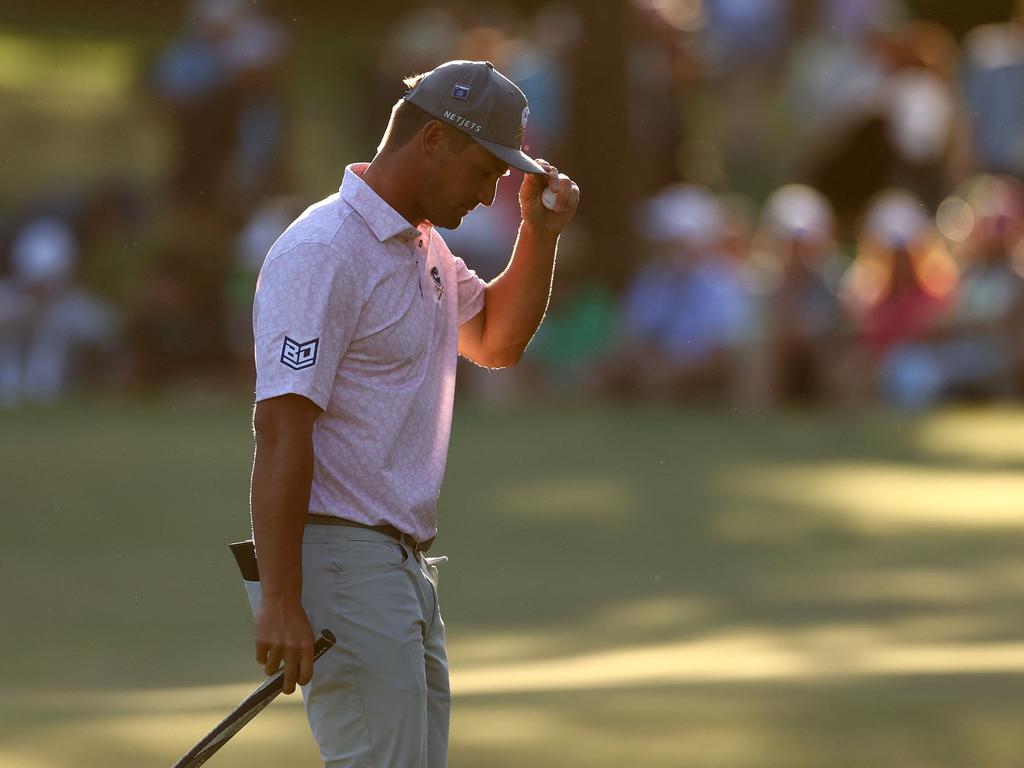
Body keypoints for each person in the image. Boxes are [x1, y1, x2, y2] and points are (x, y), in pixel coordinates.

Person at [247, 59, 579, 768]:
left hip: (400, 569)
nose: (492, 194)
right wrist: (280, 596)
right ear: (433, 140)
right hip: (343, 563)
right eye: (486, 172)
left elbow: (494, 341)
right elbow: (281, 426)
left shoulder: (423, 247)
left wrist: (540, 234)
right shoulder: (323, 249)